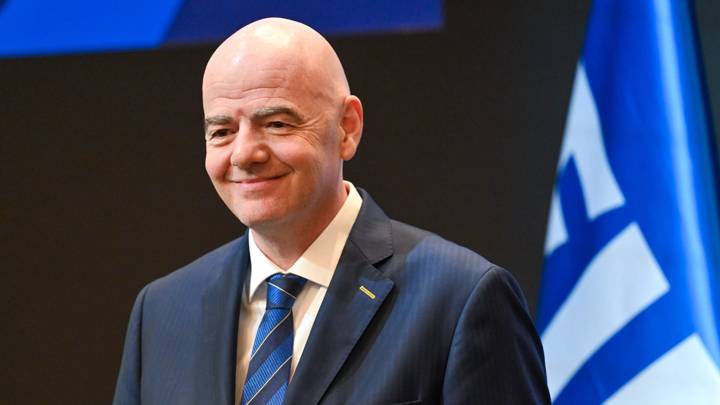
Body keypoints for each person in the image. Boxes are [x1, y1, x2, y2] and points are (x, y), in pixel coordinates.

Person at [113, 17, 550, 405]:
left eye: (277, 123)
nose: (245, 153)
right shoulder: (162, 311)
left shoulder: (461, 299)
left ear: (347, 128)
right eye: (222, 131)